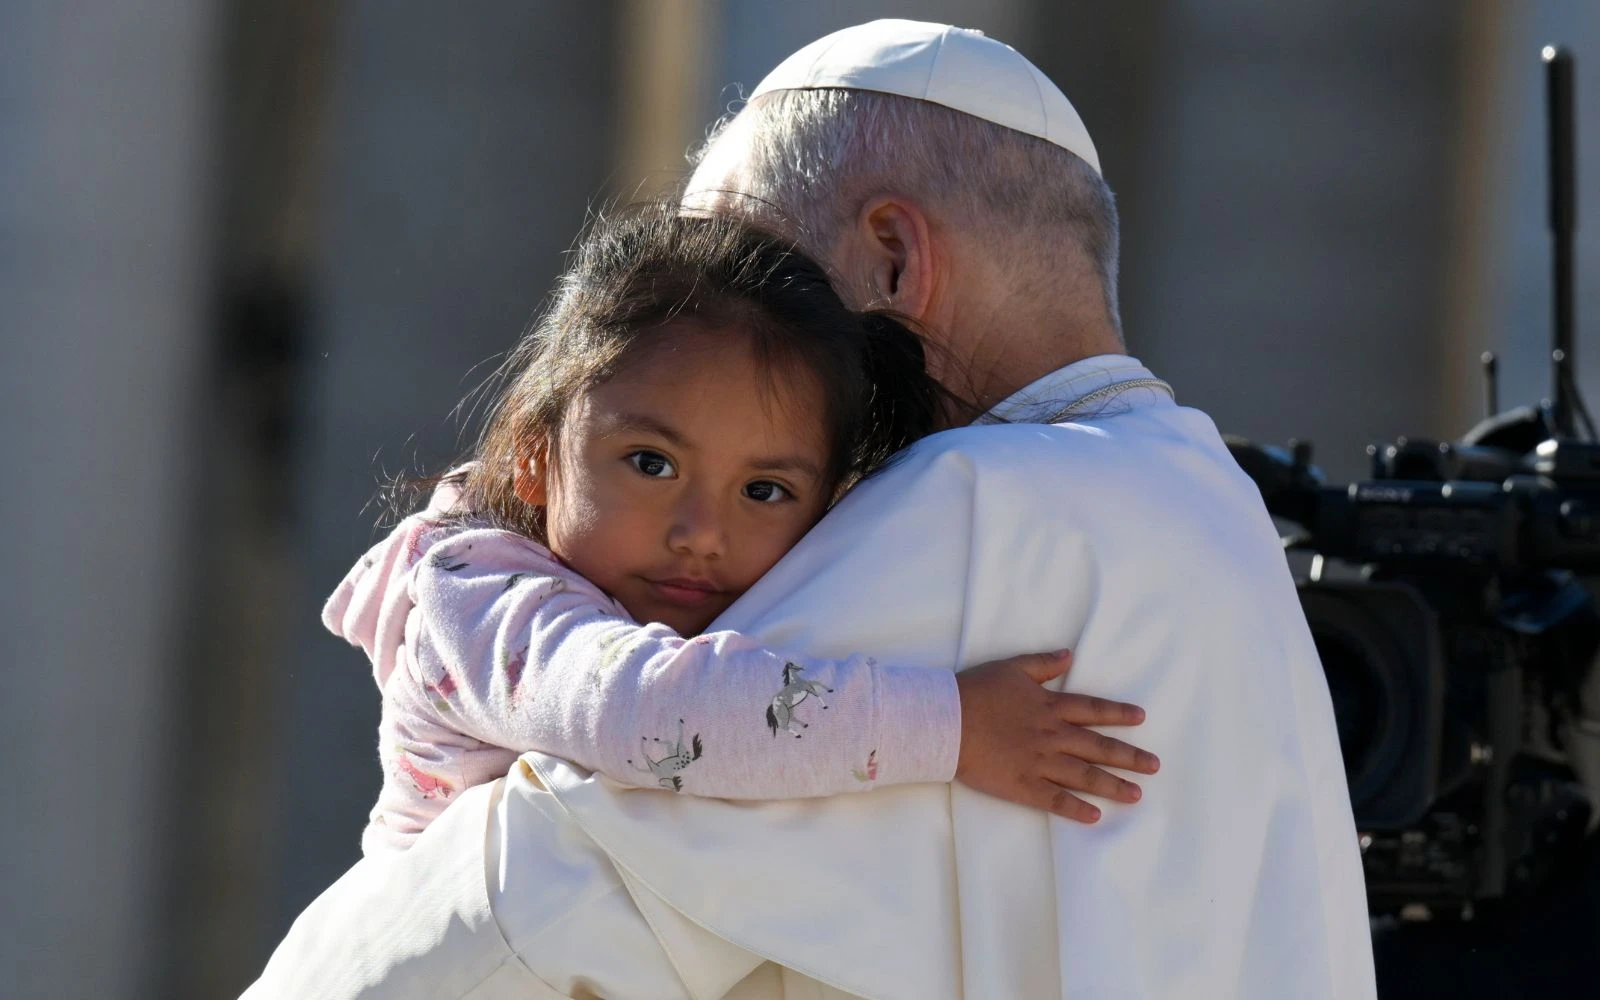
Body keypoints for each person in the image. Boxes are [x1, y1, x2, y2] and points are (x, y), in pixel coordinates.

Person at [246, 20, 1376, 999]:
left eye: (766, 281)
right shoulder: (1221, 518)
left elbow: (545, 902)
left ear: (890, 257)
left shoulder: (981, 509)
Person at [329, 205, 1154, 857]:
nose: (700, 532)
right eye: (651, 464)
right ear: (539, 459)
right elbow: (644, 710)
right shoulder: (475, 595)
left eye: (764, 490)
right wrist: (954, 726)